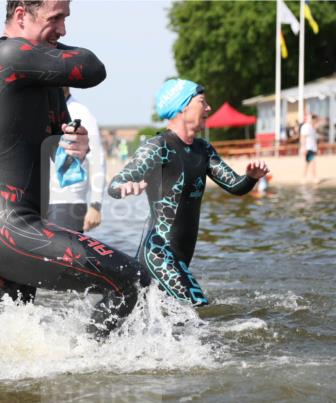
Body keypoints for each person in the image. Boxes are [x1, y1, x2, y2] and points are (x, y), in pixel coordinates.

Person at [0, 0, 146, 337]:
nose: (63, 29)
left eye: (66, 18)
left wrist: (74, 142)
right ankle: (85, 368)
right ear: (20, 15)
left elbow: (49, 141)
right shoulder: (4, 57)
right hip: (8, 230)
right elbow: (93, 67)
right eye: (56, 18)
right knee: (132, 280)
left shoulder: (38, 80)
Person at [107, 79, 268, 306]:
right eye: (202, 102)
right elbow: (115, 183)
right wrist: (124, 187)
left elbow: (235, 186)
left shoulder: (204, 150)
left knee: (154, 316)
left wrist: (251, 178)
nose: (209, 108)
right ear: (183, 107)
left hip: (181, 258)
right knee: (197, 306)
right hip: (159, 253)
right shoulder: (158, 146)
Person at [47, 87, 105, 232]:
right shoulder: (42, 109)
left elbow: (97, 159)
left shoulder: (81, 112)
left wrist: (96, 205)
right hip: (39, 201)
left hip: (68, 203)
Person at [300, 113, 318, 183]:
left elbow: (313, 139)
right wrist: (303, 148)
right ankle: (314, 178)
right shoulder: (306, 126)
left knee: (307, 163)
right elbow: (303, 137)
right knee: (312, 162)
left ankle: (304, 178)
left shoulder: (311, 127)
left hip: (312, 148)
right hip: (308, 148)